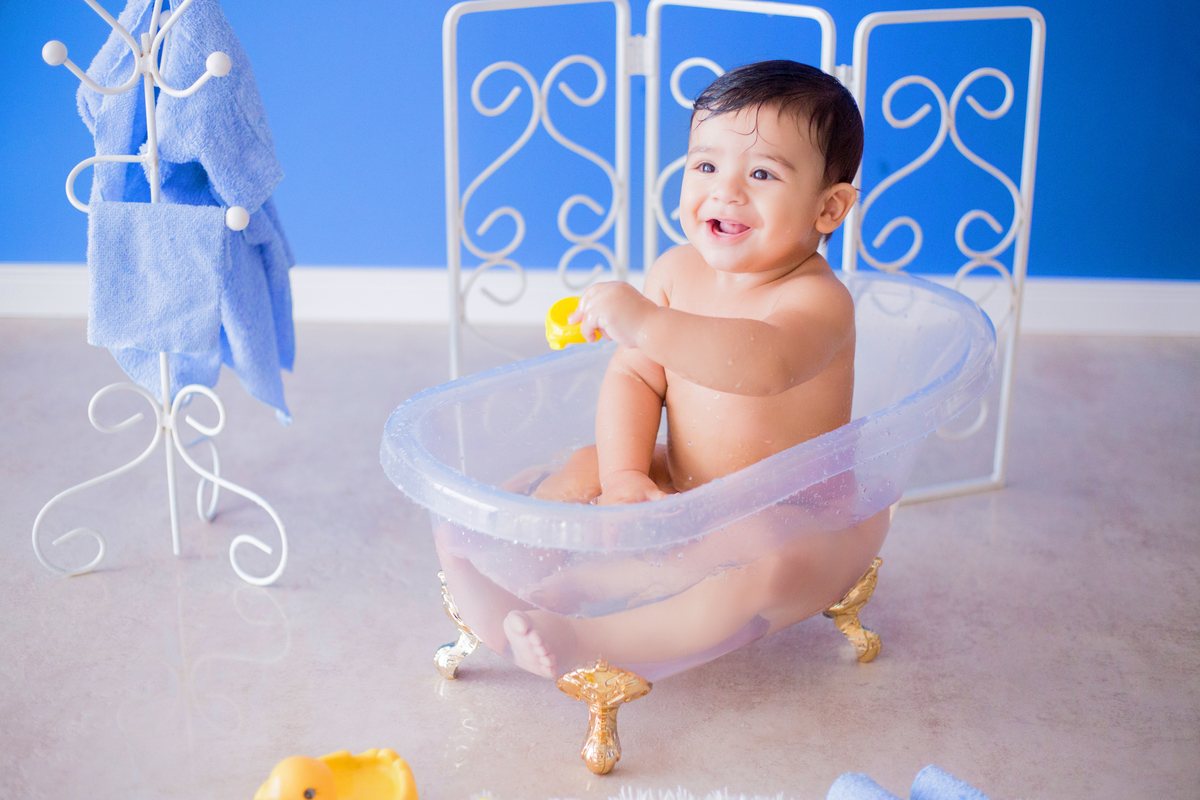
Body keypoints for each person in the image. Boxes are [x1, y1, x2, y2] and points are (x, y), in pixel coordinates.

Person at [500, 60, 875, 678]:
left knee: (757, 554)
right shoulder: (676, 271)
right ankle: (520, 559)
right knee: (587, 462)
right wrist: (623, 479)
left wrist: (647, 324)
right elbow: (636, 378)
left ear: (829, 209)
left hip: (793, 516)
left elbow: (765, 365)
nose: (726, 191)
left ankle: (594, 634)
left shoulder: (816, 301)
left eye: (761, 173)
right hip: (688, 479)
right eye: (705, 166)